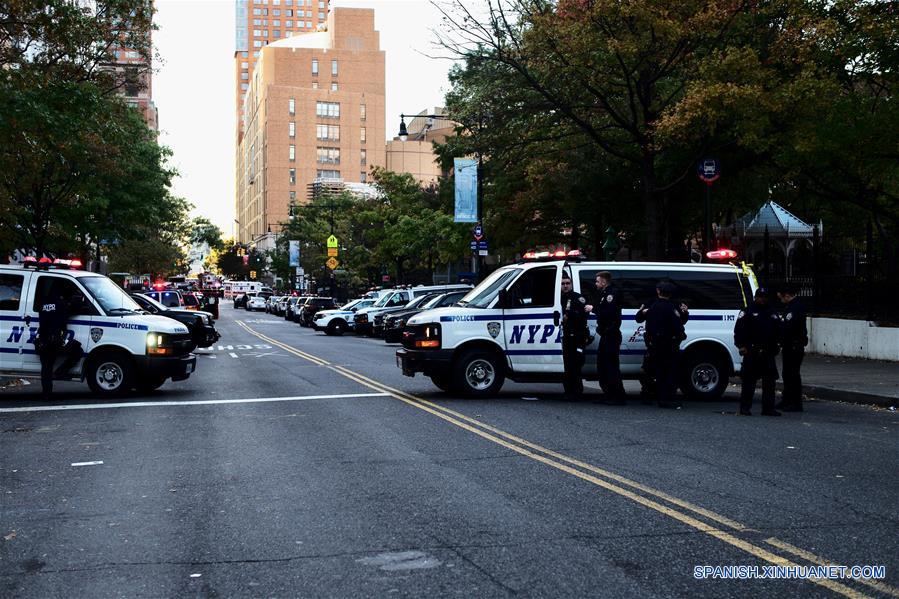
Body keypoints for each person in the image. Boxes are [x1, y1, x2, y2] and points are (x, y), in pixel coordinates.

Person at [734, 288, 781, 416]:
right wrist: (741, 345)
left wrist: (777, 345)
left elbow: (778, 330)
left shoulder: (772, 312)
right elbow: (739, 330)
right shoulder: (747, 311)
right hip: (752, 351)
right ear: (755, 297)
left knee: (769, 382)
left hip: (767, 351)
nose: (762, 299)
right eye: (760, 297)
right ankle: (745, 408)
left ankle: (768, 408)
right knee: (749, 381)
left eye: (765, 297)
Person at [636, 291, 689, 404]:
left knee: (653, 370)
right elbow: (680, 323)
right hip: (665, 344)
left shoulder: (656, 304)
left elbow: (681, 320)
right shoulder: (670, 305)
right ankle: (661, 396)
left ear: (658, 291)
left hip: (658, 343)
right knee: (664, 371)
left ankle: (652, 395)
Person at [591, 271, 626, 404]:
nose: (596, 283)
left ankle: (617, 396)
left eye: (597, 281)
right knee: (603, 366)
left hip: (611, 334)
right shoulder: (605, 294)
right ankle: (609, 394)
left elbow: (609, 312)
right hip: (606, 334)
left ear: (604, 282)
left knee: (610, 367)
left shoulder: (611, 294)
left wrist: (593, 309)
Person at [36, 285, 75, 400]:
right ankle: (61, 372)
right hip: (56, 341)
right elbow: (68, 314)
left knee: (46, 368)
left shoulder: (43, 305)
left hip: (43, 340)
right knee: (77, 350)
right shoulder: (61, 304)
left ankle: (46, 394)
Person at [777, 283, 808, 412]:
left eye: (781, 297)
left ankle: (795, 402)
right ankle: (787, 400)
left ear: (787, 295)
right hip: (789, 346)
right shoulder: (790, 306)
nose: (780, 300)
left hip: (794, 346)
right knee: (787, 374)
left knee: (793, 375)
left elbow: (790, 328)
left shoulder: (796, 308)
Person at [559, 272, 589, 400]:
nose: (565, 286)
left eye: (567, 283)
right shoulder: (558, 298)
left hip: (577, 336)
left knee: (576, 364)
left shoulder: (578, 298)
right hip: (565, 336)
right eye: (563, 284)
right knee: (567, 364)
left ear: (571, 284)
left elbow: (583, 314)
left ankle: (577, 392)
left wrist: (569, 314)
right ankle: (568, 391)